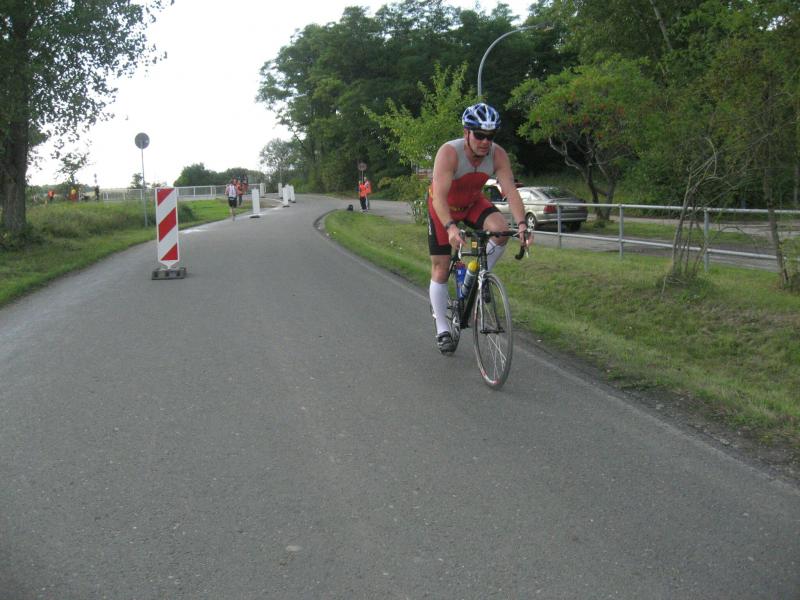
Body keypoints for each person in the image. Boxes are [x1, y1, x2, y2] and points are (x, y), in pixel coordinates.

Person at [427, 102, 531, 353]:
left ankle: (480, 277)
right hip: (443, 208)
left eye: (490, 136)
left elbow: (510, 191)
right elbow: (439, 197)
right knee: (441, 268)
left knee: (500, 230)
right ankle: (442, 328)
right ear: (466, 133)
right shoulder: (449, 153)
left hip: (472, 203)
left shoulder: (498, 154)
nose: (485, 142)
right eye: (479, 135)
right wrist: (451, 227)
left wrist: (522, 224)